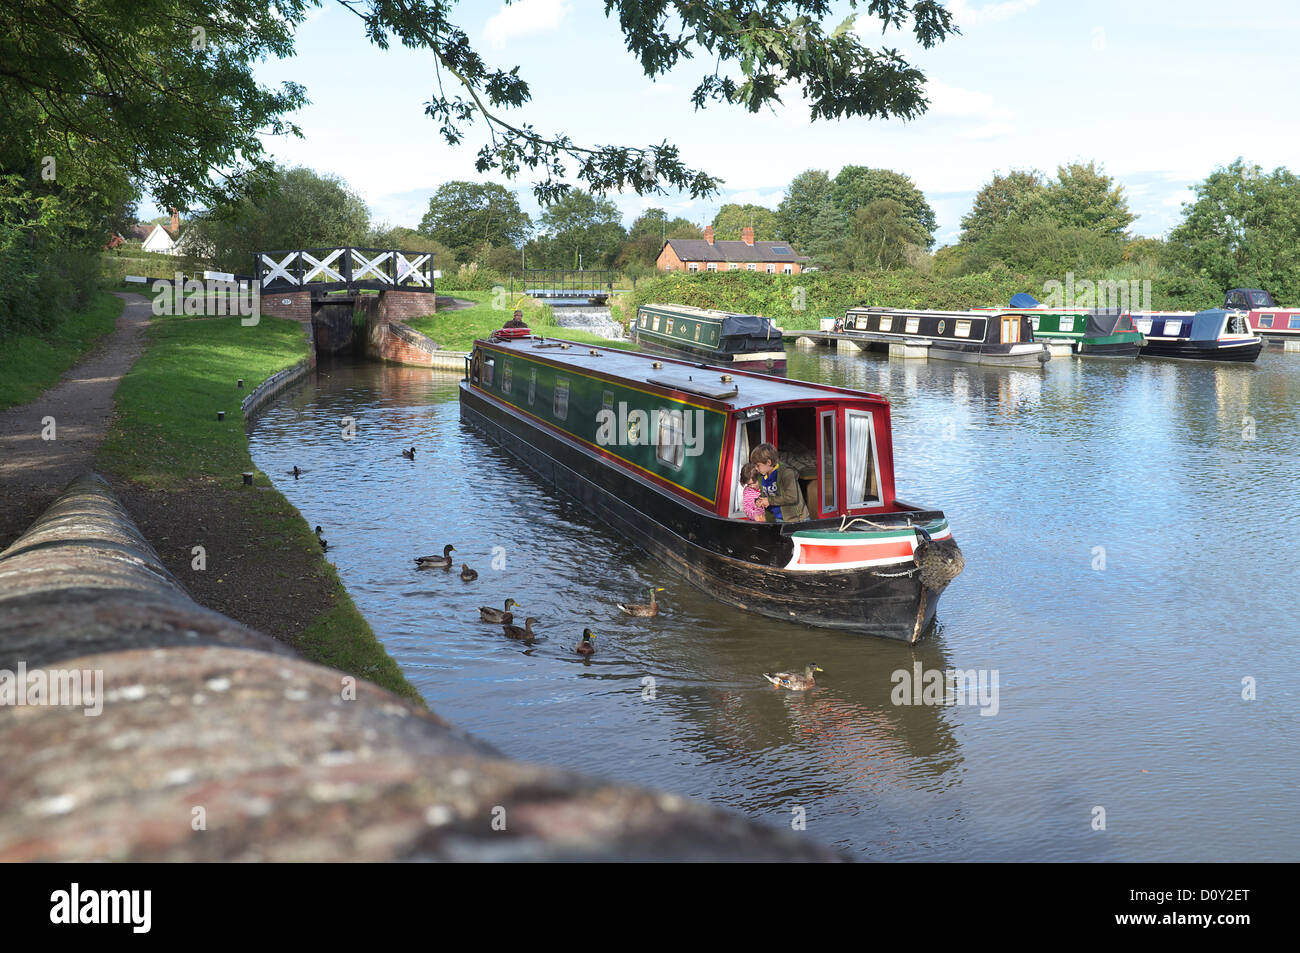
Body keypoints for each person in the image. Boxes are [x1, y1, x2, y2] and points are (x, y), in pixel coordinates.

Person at [750, 442, 809, 522]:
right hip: (777, 519)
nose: (756, 468)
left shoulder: (786, 473)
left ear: (768, 462)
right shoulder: (762, 476)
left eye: (758, 465)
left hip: (796, 520)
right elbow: (769, 493)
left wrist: (769, 501)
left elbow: (792, 497)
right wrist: (759, 500)